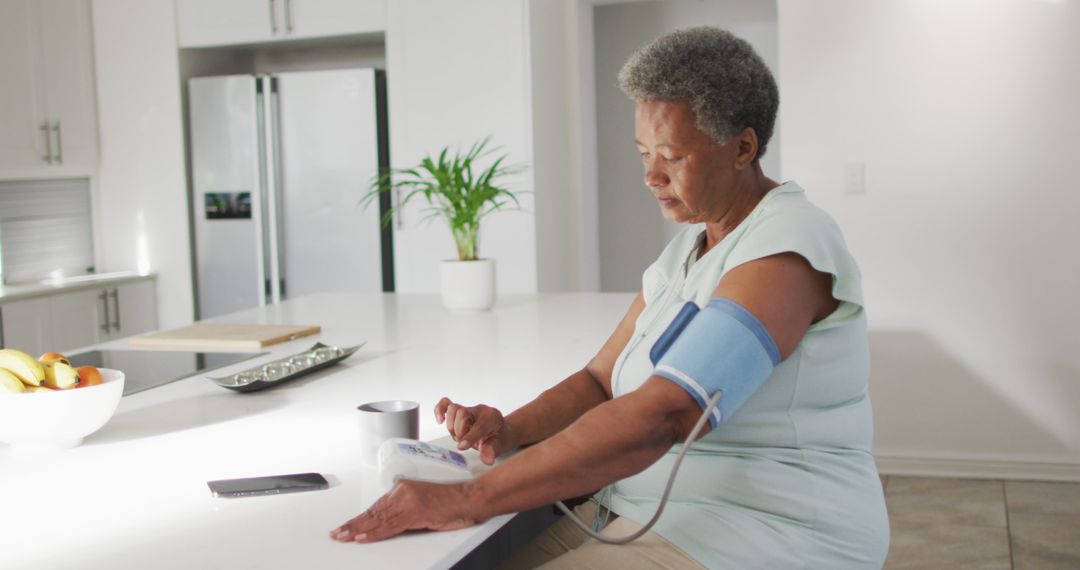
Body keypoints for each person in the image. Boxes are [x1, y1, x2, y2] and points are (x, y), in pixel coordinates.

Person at [331, 26, 890, 569]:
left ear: (742, 147)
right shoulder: (687, 253)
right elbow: (601, 380)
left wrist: (466, 498)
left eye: (671, 155)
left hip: (762, 529)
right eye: (643, 151)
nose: (650, 175)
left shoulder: (788, 249)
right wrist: (510, 432)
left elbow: (668, 413)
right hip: (641, 514)